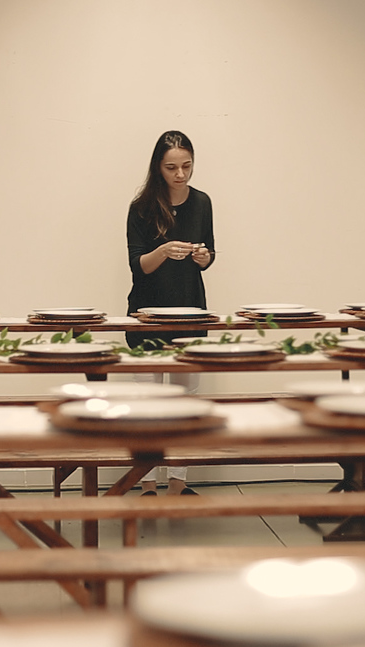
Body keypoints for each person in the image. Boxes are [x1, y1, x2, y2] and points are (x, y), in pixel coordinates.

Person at [125, 130, 215, 496]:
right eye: (172, 167)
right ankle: (146, 481)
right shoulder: (141, 208)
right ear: (158, 168)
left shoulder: (203, 202)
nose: (181, 174)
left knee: (185, 401)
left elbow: (209, 256)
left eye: (187, 166)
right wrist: (163, 250)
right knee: (147, 402)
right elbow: (138, 265)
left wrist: (203, 257)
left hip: (190, 310)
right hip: (147, 312)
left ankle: (178, 480)